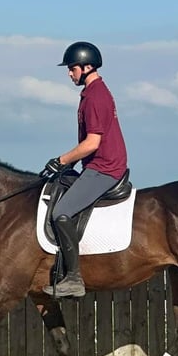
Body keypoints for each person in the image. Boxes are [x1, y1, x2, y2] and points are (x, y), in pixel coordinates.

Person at [41, 41, 128, 298]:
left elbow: (92, 143)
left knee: (62, 214)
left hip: (104, 167)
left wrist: (61, 160)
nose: (69, 73)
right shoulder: (93, 93)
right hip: (98, 165)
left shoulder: (95, 96)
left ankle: (74, 279)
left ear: (86, 66)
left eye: (72, 68)